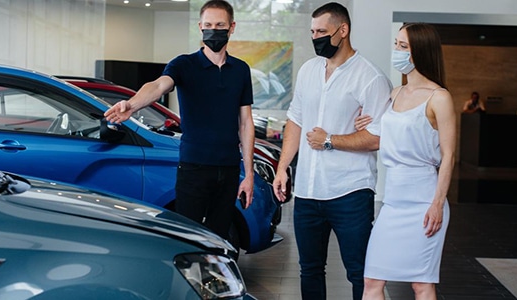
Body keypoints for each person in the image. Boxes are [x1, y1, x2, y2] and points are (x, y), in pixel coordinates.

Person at [104, 0, 255, 241]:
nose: (213, 30)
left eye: (219, 25)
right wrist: (132, 104)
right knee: (188, 237)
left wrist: (249, 174)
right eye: (208, 25)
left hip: (228, 170)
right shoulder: (184, 64)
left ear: (232, 27)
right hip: (193, 168)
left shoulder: (240, 70)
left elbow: (246, 123)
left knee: (219, 240)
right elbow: (158, 85)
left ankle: (214, 279)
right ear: (200, 27)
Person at [271, 2, 392, 300]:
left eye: (322, 31)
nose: (316, 37)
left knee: (360, 272)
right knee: (309, 270)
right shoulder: (308, 70)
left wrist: (330, 140)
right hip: (309, 193)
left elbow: (377, 137)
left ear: (343, 30)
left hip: (350, 192)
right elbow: (295, 120)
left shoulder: (371, 77)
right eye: (313, 32)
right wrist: (283, 167)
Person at [357, 23, 456, 300]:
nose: (396, 52)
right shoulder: (395, 94)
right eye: (396, 45)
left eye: (403, 47)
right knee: (372, 281)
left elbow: (448, 155)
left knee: (421, 284)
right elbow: (385, 131)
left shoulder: (440, 98)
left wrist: (437, 203)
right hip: (393, 202)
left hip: (424, 200)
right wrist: (366, 121)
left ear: (420, 52)